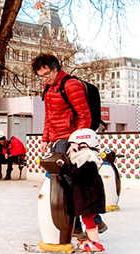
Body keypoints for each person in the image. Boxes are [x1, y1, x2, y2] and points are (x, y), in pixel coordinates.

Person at [33, 53, 107, 235]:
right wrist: (45, 139)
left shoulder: (71, 85)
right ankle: (87, 221)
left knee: (70, 182)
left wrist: (77, 142)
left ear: (56, 69)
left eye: (46, 74)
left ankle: (80, 224)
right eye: (40, 75)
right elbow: (49, 117)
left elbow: (85, 115)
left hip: (70, 139)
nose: (44, 78)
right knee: (63, 181)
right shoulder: (48, 88)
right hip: (57, 140)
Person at [57, 129, 106, 252]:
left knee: (88, 218)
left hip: (90, 197)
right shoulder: (85, 158)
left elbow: (78, 173)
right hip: (88, 195)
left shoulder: (88, 160)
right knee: (88, 218)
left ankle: (95, 242)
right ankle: (93, 240)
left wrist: (64, 167)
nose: (71, 150)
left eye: (73, 147)